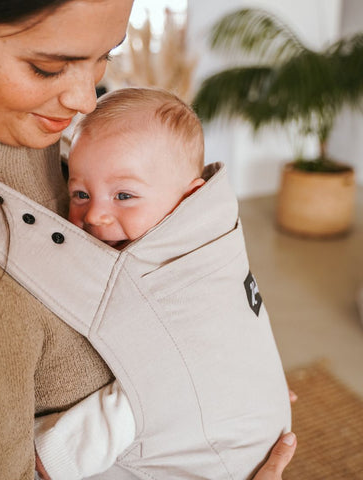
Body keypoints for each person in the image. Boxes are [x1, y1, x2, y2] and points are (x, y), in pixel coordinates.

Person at [0, 1, 296, 479]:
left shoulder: (51, 144)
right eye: (48, 68)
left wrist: (229, 380)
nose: (85, 99)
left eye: (105, 56)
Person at [32, 88, 291, 479]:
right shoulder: (202, 232)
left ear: (188, 198)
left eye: (124, 195)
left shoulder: (186, 284)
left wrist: (44, 451)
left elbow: (148, 393)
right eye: (80, 193)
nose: (96, 214)